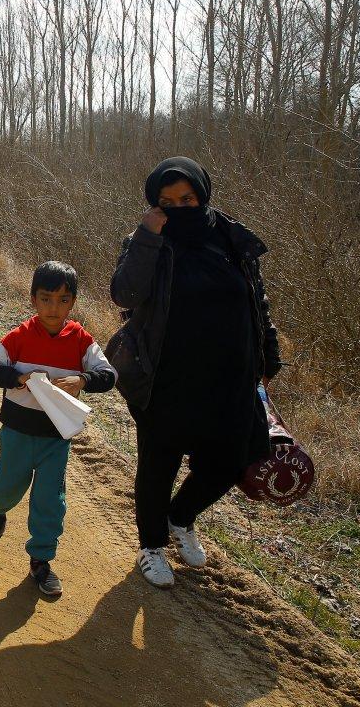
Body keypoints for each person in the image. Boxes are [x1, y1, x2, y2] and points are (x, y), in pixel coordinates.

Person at [110, 157, 282, 589]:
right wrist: (149, 235)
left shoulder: (229, 235)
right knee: (159, 463)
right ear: (154, 204)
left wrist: (267, 353)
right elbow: (124, 293)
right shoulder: (147, 239)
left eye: (188, 198)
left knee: (230, 458)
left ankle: (180, 517)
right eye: (168, 201)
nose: (180, 207)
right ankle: (151, 545)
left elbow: (256, 299)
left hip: (230, 376)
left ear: (203, 195)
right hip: (167, 376)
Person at [0, 261, 117, 597]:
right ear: (33, 299)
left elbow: (109, 375)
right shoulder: (20, 337)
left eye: (63, 300)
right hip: (17, 433)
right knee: (7, 489)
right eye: (46, 299)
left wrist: (83, 378)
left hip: (56, 437)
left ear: (73, 302)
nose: (54, 308)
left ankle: (41, 559)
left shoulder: (81, 341)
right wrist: (16, 377)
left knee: (50, 499)